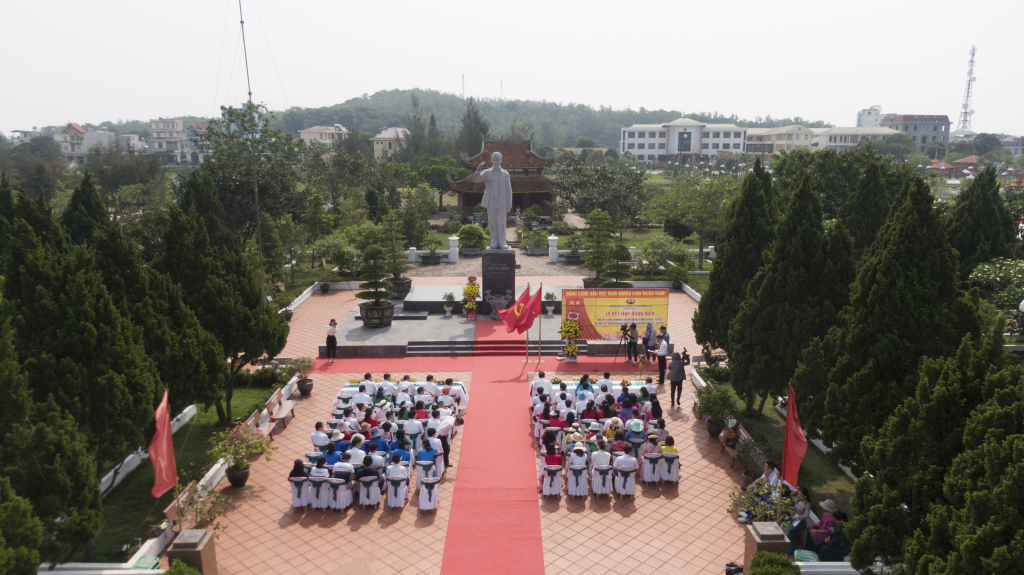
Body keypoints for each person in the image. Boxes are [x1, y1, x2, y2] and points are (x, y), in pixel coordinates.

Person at [788, 486, 811, 555]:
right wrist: (792, 511)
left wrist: (797, 518)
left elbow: (806, 515)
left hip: (801, 521)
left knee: (788, 532)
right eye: (798, 494)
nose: (798, 496)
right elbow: (795, 509)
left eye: (800, 495)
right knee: (787, 531)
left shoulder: (807, 505)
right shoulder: (798, 501)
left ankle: (791, 549)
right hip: (795, 519)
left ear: (805, 496)